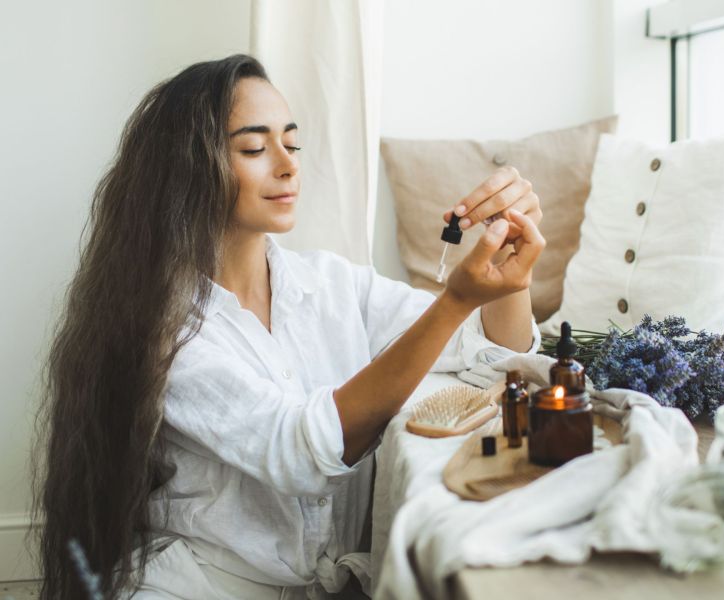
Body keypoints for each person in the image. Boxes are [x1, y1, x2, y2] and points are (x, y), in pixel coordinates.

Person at [32, 54, 546, 599]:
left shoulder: (330, 284)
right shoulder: (164, 329)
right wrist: (455, 300)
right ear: (188, 167)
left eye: (292, 143)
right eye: (254, 148)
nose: (287, 164)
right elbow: (304, 454)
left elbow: (484, 353)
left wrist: (512, 274)